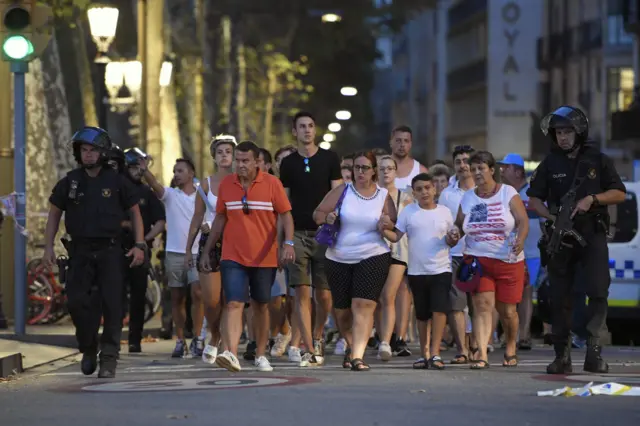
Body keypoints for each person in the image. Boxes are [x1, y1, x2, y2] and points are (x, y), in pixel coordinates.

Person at [527, 105, 626, 374]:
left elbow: (619, 193)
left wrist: (592, 200)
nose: (563, 137)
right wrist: (550, 216)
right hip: (561, 238)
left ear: (579, 131)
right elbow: (533, 198)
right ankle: (562, 355)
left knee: (597, 291)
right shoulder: (550, 162)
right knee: (558, 297)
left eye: (568, 131)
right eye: (559, 132)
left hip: (592, 235)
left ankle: (593, 352)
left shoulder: (598, 159)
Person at [41, 126, 145, 378]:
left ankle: (109, 357)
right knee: (76, 302)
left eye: (93, 150)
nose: (88, 155)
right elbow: (54, 214)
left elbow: (135, 212)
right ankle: (88, 348)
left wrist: (140, 245)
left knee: (113, 305)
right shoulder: (70, 181)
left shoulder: (118, 181)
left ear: (103, 153)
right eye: (84, 150)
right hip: (79, 251)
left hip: (111, 251)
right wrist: (47, 248)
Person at [200, 141, 295, 372]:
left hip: (265, 256)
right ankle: (231, 353)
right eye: (238, 161)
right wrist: (207, 250)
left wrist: (288, 244)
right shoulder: (226, 185)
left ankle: (261, 354)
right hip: (233, 255)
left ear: (256, 162)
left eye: (245, 161)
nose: (240, 165)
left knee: (261, 305)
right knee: (233, 303)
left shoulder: (272, 184)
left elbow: (286, 215)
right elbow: (220, 218)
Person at [313, 151, 396, 371]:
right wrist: (328, 217)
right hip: (338, 256)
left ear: (374, 171)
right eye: (357, 168)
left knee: (364, 305)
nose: (360, 172)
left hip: (373, 254)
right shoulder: (343, 190)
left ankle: (358, 355)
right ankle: (351, 345)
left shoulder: (383, 195)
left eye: (365, 168)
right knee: (342, 310)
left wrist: (385, 224)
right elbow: (318, 214)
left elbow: (394, 225)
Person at [454, 150, 529, 369]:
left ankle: (511, 346)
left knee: (508, 311)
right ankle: (482, 354)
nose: (476, 173)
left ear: (492, 170)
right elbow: (459, 225)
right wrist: (454, 233)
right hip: (478, 260)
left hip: (508, 260)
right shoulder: (468, 197)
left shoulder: (507, 192)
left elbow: (522, 221)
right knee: (482, 306)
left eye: (481, 168)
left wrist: (521, 240)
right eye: (473, 169)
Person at [279, 111, 342, 366]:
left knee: (324, 295)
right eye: (302, 126)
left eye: (311, 126)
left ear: (315, 130)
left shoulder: (329, 158)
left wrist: (335, 221)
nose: (307, 130)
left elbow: (338, 193)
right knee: (301, 293)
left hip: (324, 235)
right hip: (298, 233)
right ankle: (305, 345)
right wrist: (284, 240)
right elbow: (283, 204)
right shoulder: (288, 163)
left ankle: (317, 336)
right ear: (294, 131)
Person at [383, 173, 460, 369]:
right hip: (417, 271)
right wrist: (381, 228)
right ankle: (424, 352)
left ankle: (435, 353)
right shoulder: (409, 212)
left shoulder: (444, 212)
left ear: (434, 189)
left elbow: (452, 239)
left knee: (439, 310)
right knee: (422, 314)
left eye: (427, 187)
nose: (424, 192)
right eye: (419, 189)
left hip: (441, 269)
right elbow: (396, 236)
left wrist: (453, 237)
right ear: (414, 193)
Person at [142, 158, 204, 358]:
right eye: (174, 171)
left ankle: (197, 339)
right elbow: (155, 185)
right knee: (177, 297)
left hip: (197, 253)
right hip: (174, 253)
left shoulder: (201, 195)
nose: (176, 174)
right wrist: (145, 170)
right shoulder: (170, 195)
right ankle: (180, 341)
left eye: (180, 170)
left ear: (191, 173)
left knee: (198, 295)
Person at [184, 135, 235, 364]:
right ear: (214, 157)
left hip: (235, 243)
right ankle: (214, 334)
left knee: (230, 299)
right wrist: (188, 249)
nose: (225, 155)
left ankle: (223, 341)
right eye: (220, 152)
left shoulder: (240, 180)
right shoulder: (205, 184)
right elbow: (197, 216)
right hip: (209, 244)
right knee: (212, 300)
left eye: (228, 152)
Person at [122, 147, 166, 353]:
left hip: (139, 250)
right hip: (116, 248)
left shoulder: (146, 193)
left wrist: (144, 240)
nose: (139, 172)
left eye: (142, 169)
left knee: (139, 295)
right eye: (135, 168)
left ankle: (134, 339)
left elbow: (159, 221)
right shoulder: (116, 188)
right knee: (114, 294)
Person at [498, 153, 543, 351]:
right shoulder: (502, 192)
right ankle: (508, 334)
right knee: (505, 295)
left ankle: (523, 334)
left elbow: (543, 221)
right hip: (505, 252)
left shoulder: (532, 193)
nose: (501, 170)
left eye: (505, 167)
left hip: (531, 253)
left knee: (526, 292)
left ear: (517, 171)